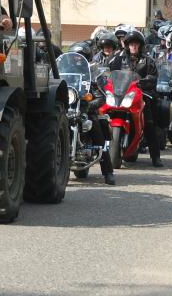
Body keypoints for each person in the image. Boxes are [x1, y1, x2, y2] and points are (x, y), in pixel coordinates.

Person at [108, 30, 163, 167]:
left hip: (141, 95)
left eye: (136, 44)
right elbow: (109, 74)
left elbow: (153, 77)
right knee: (105, 115)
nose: (133, 46)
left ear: (140, 45)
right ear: (127, 45)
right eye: (131, 44)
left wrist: (146, 81)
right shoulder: (119, 59)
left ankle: (155, 157)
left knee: (149, 123)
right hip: (122, 94)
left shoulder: (148, 60)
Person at [68, 42, 116, 185]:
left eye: (81, 57)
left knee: (98, 134)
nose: (78, 59)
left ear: (87, 58)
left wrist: (88, 107)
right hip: (68, 109)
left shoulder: (92, 73)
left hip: (86, 111)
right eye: (75, 57)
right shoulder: (65, 73)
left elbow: (101, 97)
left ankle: (108, 172)